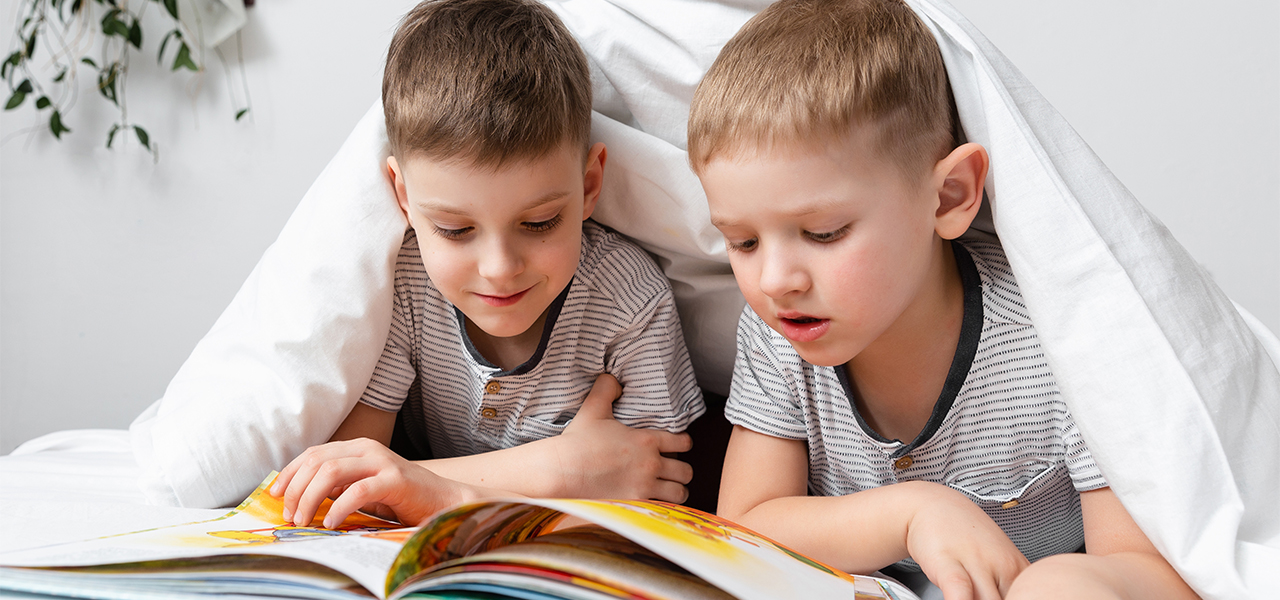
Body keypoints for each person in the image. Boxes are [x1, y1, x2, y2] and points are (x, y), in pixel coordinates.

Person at [686, 1, 1197, 598]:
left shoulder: (1055, 342)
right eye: (743, 241)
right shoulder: (778, 335)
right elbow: (745, 526)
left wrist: (1059, 582)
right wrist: (912, 514)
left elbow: (1154, 570)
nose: (775, 280)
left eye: (823, 233)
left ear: (951, 196)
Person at [270, 0, 704, 530]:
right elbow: (356, 477)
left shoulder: (630, 302)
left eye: (541, 221)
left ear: (589, 186)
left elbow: (658, 496)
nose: (499, 268)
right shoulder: (406, 284)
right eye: (455, 230)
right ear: (403, 198)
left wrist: (434, 489)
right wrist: (556, 473)